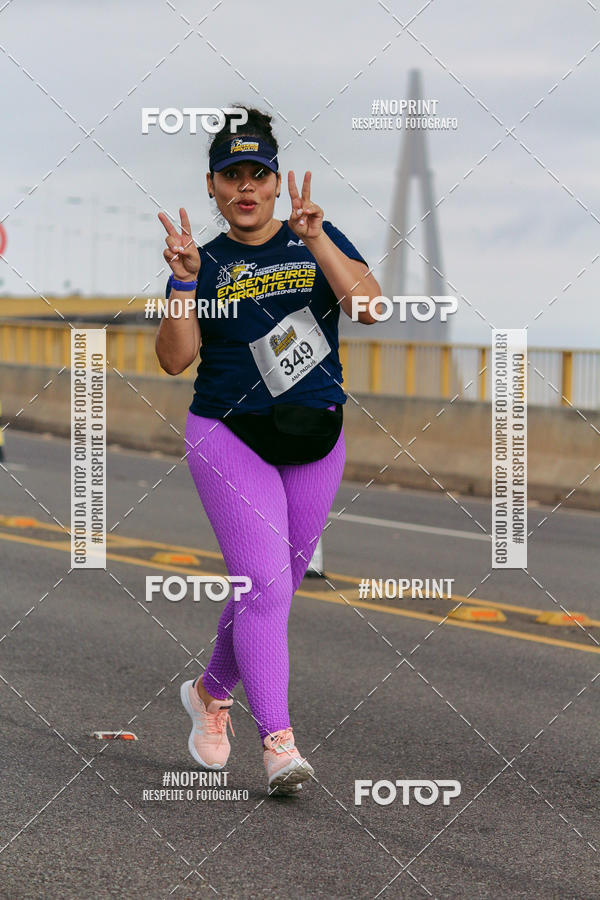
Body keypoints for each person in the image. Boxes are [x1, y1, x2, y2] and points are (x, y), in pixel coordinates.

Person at [156, 105, 381, 794]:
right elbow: (174, 359)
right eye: (232, 176)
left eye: (258, 174)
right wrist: (186, 284)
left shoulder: (317, 237)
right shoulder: (203, 258)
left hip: (316, 435)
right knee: (267, 588)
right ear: (212, 186)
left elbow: (370, 307)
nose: (245, 187)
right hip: (229, 433)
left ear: (278, 183)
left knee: (276, 588)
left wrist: (317, 244)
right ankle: (279, 744)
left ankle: (210, 692)